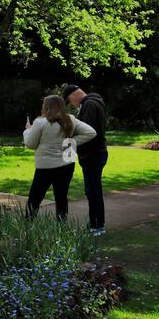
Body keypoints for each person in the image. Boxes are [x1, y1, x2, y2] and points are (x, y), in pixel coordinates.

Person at [23, 95, 96, 221]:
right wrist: (71, 141)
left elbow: (30, 144)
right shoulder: (71, 119)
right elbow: (91, 132)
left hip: (45, 166)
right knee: (61, 196)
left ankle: (28, 225)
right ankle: (61, 226)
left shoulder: (40, 122)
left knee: (35, 198)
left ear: (46, 107)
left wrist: (27, 131)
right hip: (67, 163)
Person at [60, 84, 109, 235]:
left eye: (70, 101)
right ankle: (96, 224)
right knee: (94, 190)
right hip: (97, 152)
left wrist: (68, 144)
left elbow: (88, 132)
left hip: (92, 154)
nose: (72, 105)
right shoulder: (95, 101)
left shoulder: (88, 104)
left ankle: (96, 225)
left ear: (74, 95)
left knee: (92, 190)